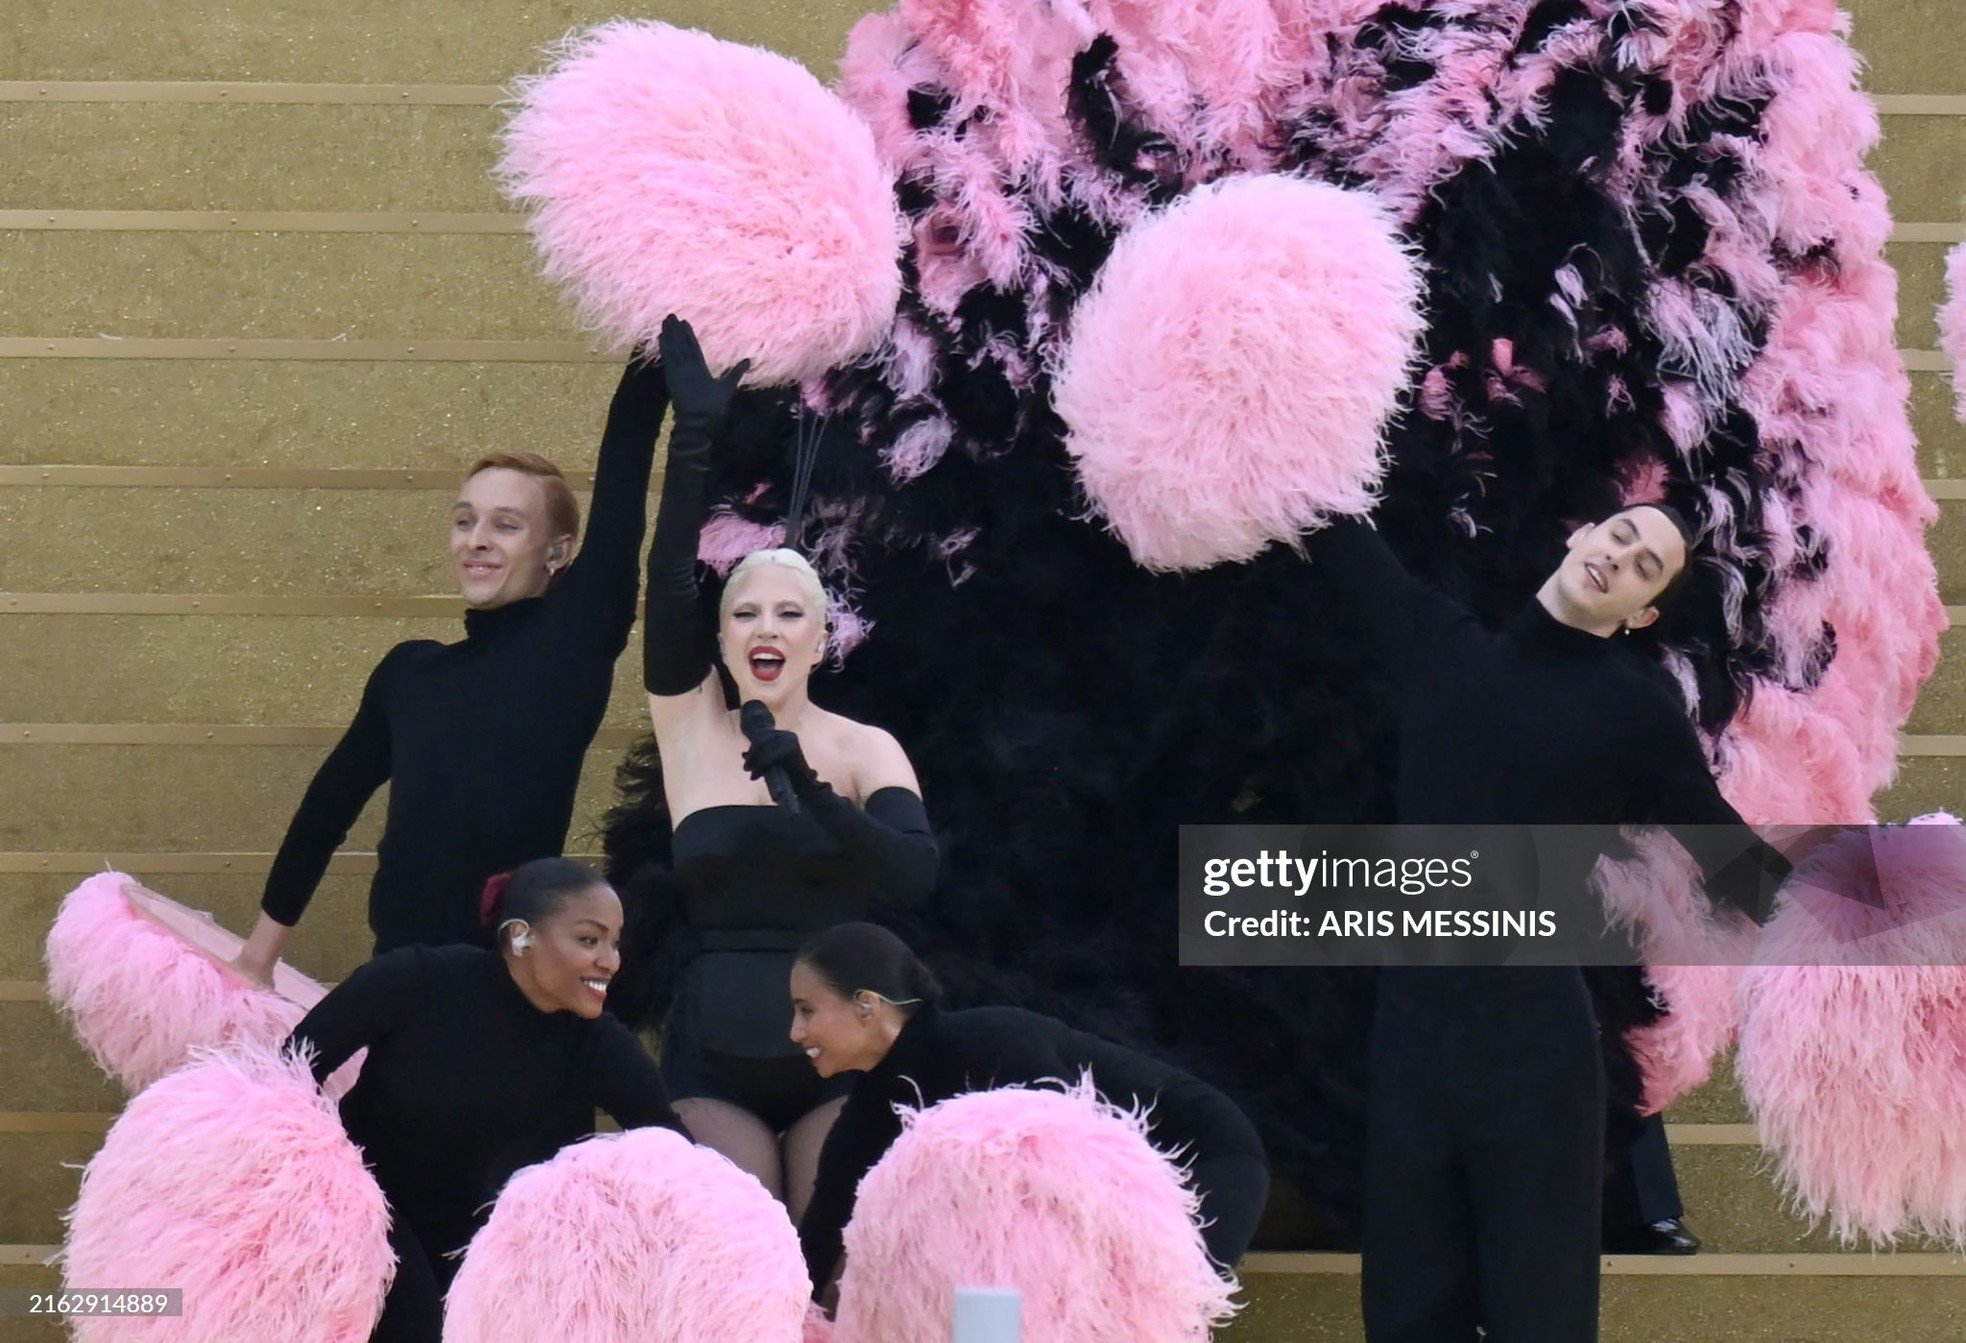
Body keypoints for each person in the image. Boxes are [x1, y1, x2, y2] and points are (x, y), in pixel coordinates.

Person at [1308, 503, 1791, 1342]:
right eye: (1619, 535)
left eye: (1646, 567)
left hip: (1535, 1052)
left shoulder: (1632, 708)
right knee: (1405, 1314)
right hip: (1410, 1041)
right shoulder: (1442, 651)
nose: (1620, 556)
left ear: (1641, 613)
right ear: (1578, 536)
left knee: (1543, 1320)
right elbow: (1331, 530)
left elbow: (1729, 855)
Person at [233, 356, 672, 981]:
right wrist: (258, 958)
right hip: (398, 982)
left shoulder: (576, 641)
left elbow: (629, 445)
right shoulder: (409, 674)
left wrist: (653, 339)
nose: (478, 539)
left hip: (511, 993)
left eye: (507, 524)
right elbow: (323, 814)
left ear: (558, 553)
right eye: (465, 521)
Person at [637, 315, 938, 1216]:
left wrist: (804, 784)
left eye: (788, 614)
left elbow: (914, 874)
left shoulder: (864, 748)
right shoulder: (690, 726)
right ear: (723, 638)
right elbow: (664, 582)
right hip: (712, 1051)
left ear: (819, 639)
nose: (765, 627)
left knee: (826, 1253)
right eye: (745, 614)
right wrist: (693, 438)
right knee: (745, 1247)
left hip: (840, 1054)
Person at [286, 857, 689, 1343]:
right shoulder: (419, 980)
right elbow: (285, 1073)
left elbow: (681, 1158)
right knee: (413, 1320)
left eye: (614, 942)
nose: (611, 960)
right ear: (520, 937)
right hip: (365, 1217)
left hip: (485, 1255)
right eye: (589, 939)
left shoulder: (597, 1044)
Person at [791, 921, 1270, 1302]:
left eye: (807, 1010)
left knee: (1158, 1314)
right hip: (1109, 1199)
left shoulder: (991, 1044)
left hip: (1205, 1156)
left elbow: (1079, 1181)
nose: (796, 1032)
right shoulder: (867, 1118)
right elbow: (814, 1249)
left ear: (867, 1006)